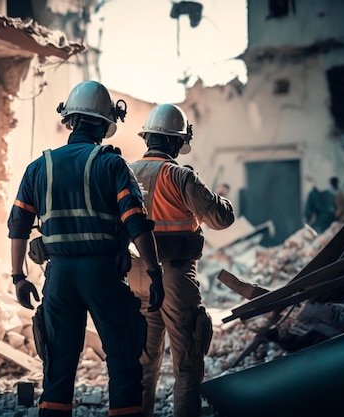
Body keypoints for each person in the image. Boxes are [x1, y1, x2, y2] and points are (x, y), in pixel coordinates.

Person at [7, 80, 165, 417]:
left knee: (58, 366)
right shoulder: (111, 164)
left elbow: (18, 225)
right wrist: (154, 272)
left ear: (71, 119)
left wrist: (18, 277)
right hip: (103, 274)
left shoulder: (39, 167)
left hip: (59, 277)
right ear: (106, 123)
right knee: (123, 358)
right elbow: (137, 224)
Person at [126, 103, 235, 417]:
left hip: (135, 274)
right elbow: (220, 218)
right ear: (176, 142)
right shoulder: (178, 175)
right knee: (187, 364)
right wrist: (220, 196)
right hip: (174, 276)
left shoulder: (127, 171)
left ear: (148, 137)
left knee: (144, 363)